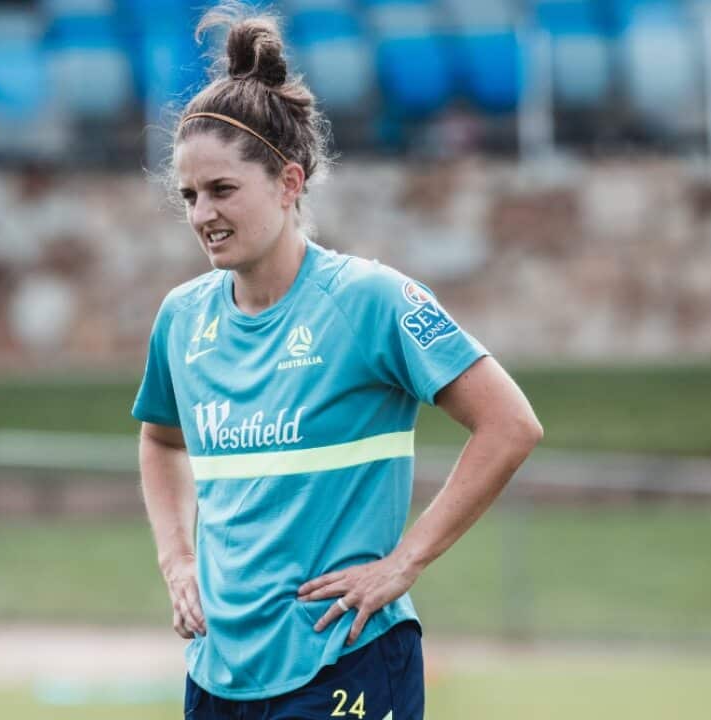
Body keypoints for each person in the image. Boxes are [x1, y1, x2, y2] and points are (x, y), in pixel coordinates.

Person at [132, 3, 543, 717]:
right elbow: (161, 441)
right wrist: (178, 560)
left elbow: (510, 424)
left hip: (345, 657)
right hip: (219, 672)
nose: (202, 214)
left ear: (289, 183)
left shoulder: (370, 300)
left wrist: (404, 563)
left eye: (223, 190)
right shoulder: (182, 318)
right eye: (190, 195)